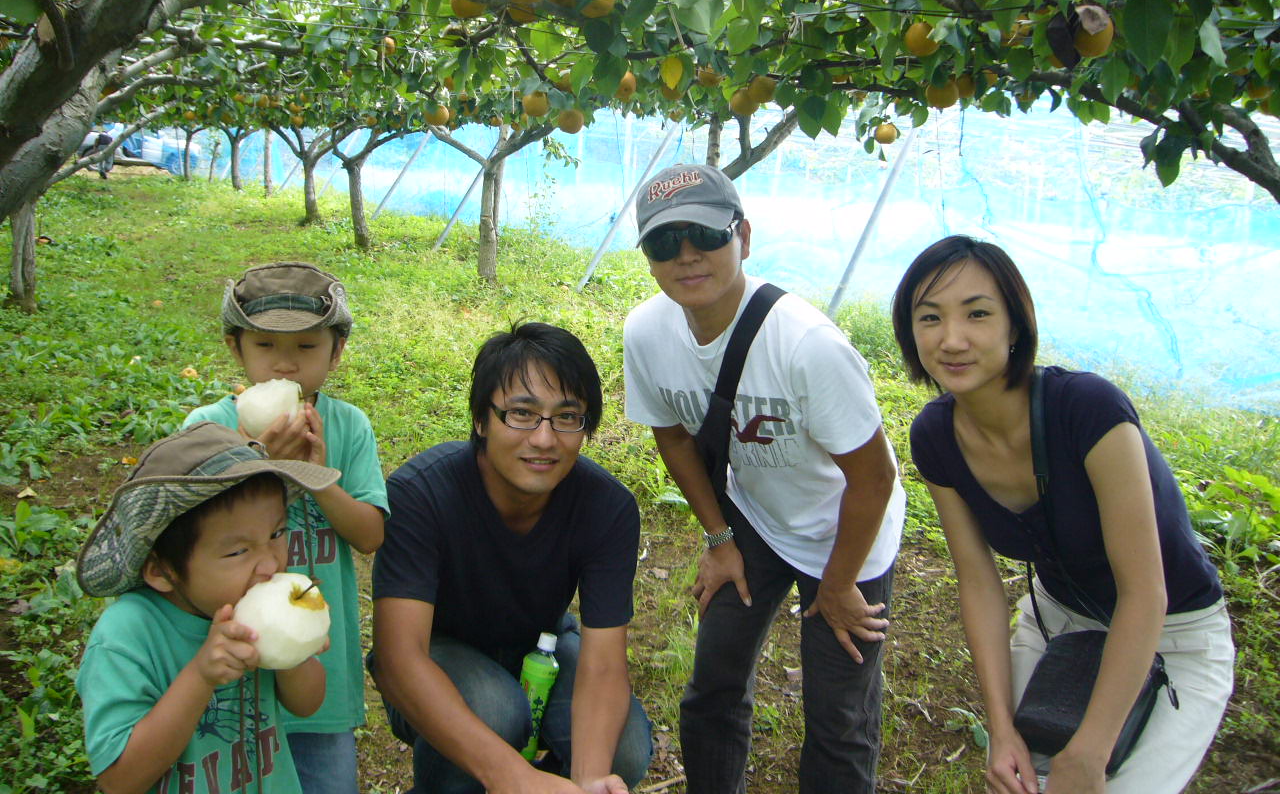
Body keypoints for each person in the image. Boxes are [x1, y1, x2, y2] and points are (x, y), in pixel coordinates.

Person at [890, 235, 1233, 794]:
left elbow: (1145, 593)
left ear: (1015, 325)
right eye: (929, 318)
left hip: (1174, 634)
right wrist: (1000, 729)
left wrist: (1089, 753)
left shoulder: (1088, 409)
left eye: (977, 313)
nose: (951, 339)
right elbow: (977, 582)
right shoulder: (935, 436)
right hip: (1059, 621)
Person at [622, 163, 906, 794]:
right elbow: (671, 436)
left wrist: (835, 586)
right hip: (755, 515)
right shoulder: (646, 333)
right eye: (665, 242)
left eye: (706, 234)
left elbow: (874, 478)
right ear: (648, 257)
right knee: (713, 685)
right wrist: (720, 539)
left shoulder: (808, 346)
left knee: (838, 718)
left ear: (743, 236)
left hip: (847, 532)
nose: (687, 256)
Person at [370, 322, 652, 794]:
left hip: (540, 644)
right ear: (482, 420)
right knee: (494, 710)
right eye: (521, 414)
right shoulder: (421, 494)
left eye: (567, 417)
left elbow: (604, 665)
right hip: (438, 650)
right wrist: (515, 779)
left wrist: (590, 781)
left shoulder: (607, 508)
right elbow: (400, 659)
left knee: (620, 748)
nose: (544, 439)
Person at [184, 261, 387, 794]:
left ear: (336, 351)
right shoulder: (206, 429)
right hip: (231, 671)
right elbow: (187, 533)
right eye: (267, 346)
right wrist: (261, 463)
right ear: (237, 349)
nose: (285, 366)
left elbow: (369, 536)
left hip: (320, 668)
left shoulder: (349, 427)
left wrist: (316, 476)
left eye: (306, 348)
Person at [75, 422, 338, 793]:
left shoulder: (256, 607)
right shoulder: (127, 636)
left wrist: (297, 649)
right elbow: (120, 779)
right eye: (238, 551)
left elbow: (307, 704)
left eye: (276, 534)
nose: (270, 564)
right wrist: (201, 676)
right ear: (161, 570)